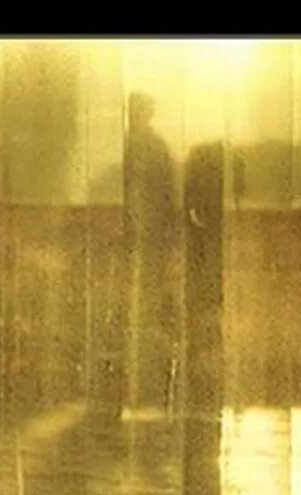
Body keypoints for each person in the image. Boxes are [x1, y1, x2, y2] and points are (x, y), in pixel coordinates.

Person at [122, 92, 179, 410]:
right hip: (149, 237)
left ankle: (147, 385)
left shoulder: (142, 146)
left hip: (147, 238)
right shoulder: (150, 146)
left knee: (144, 309)